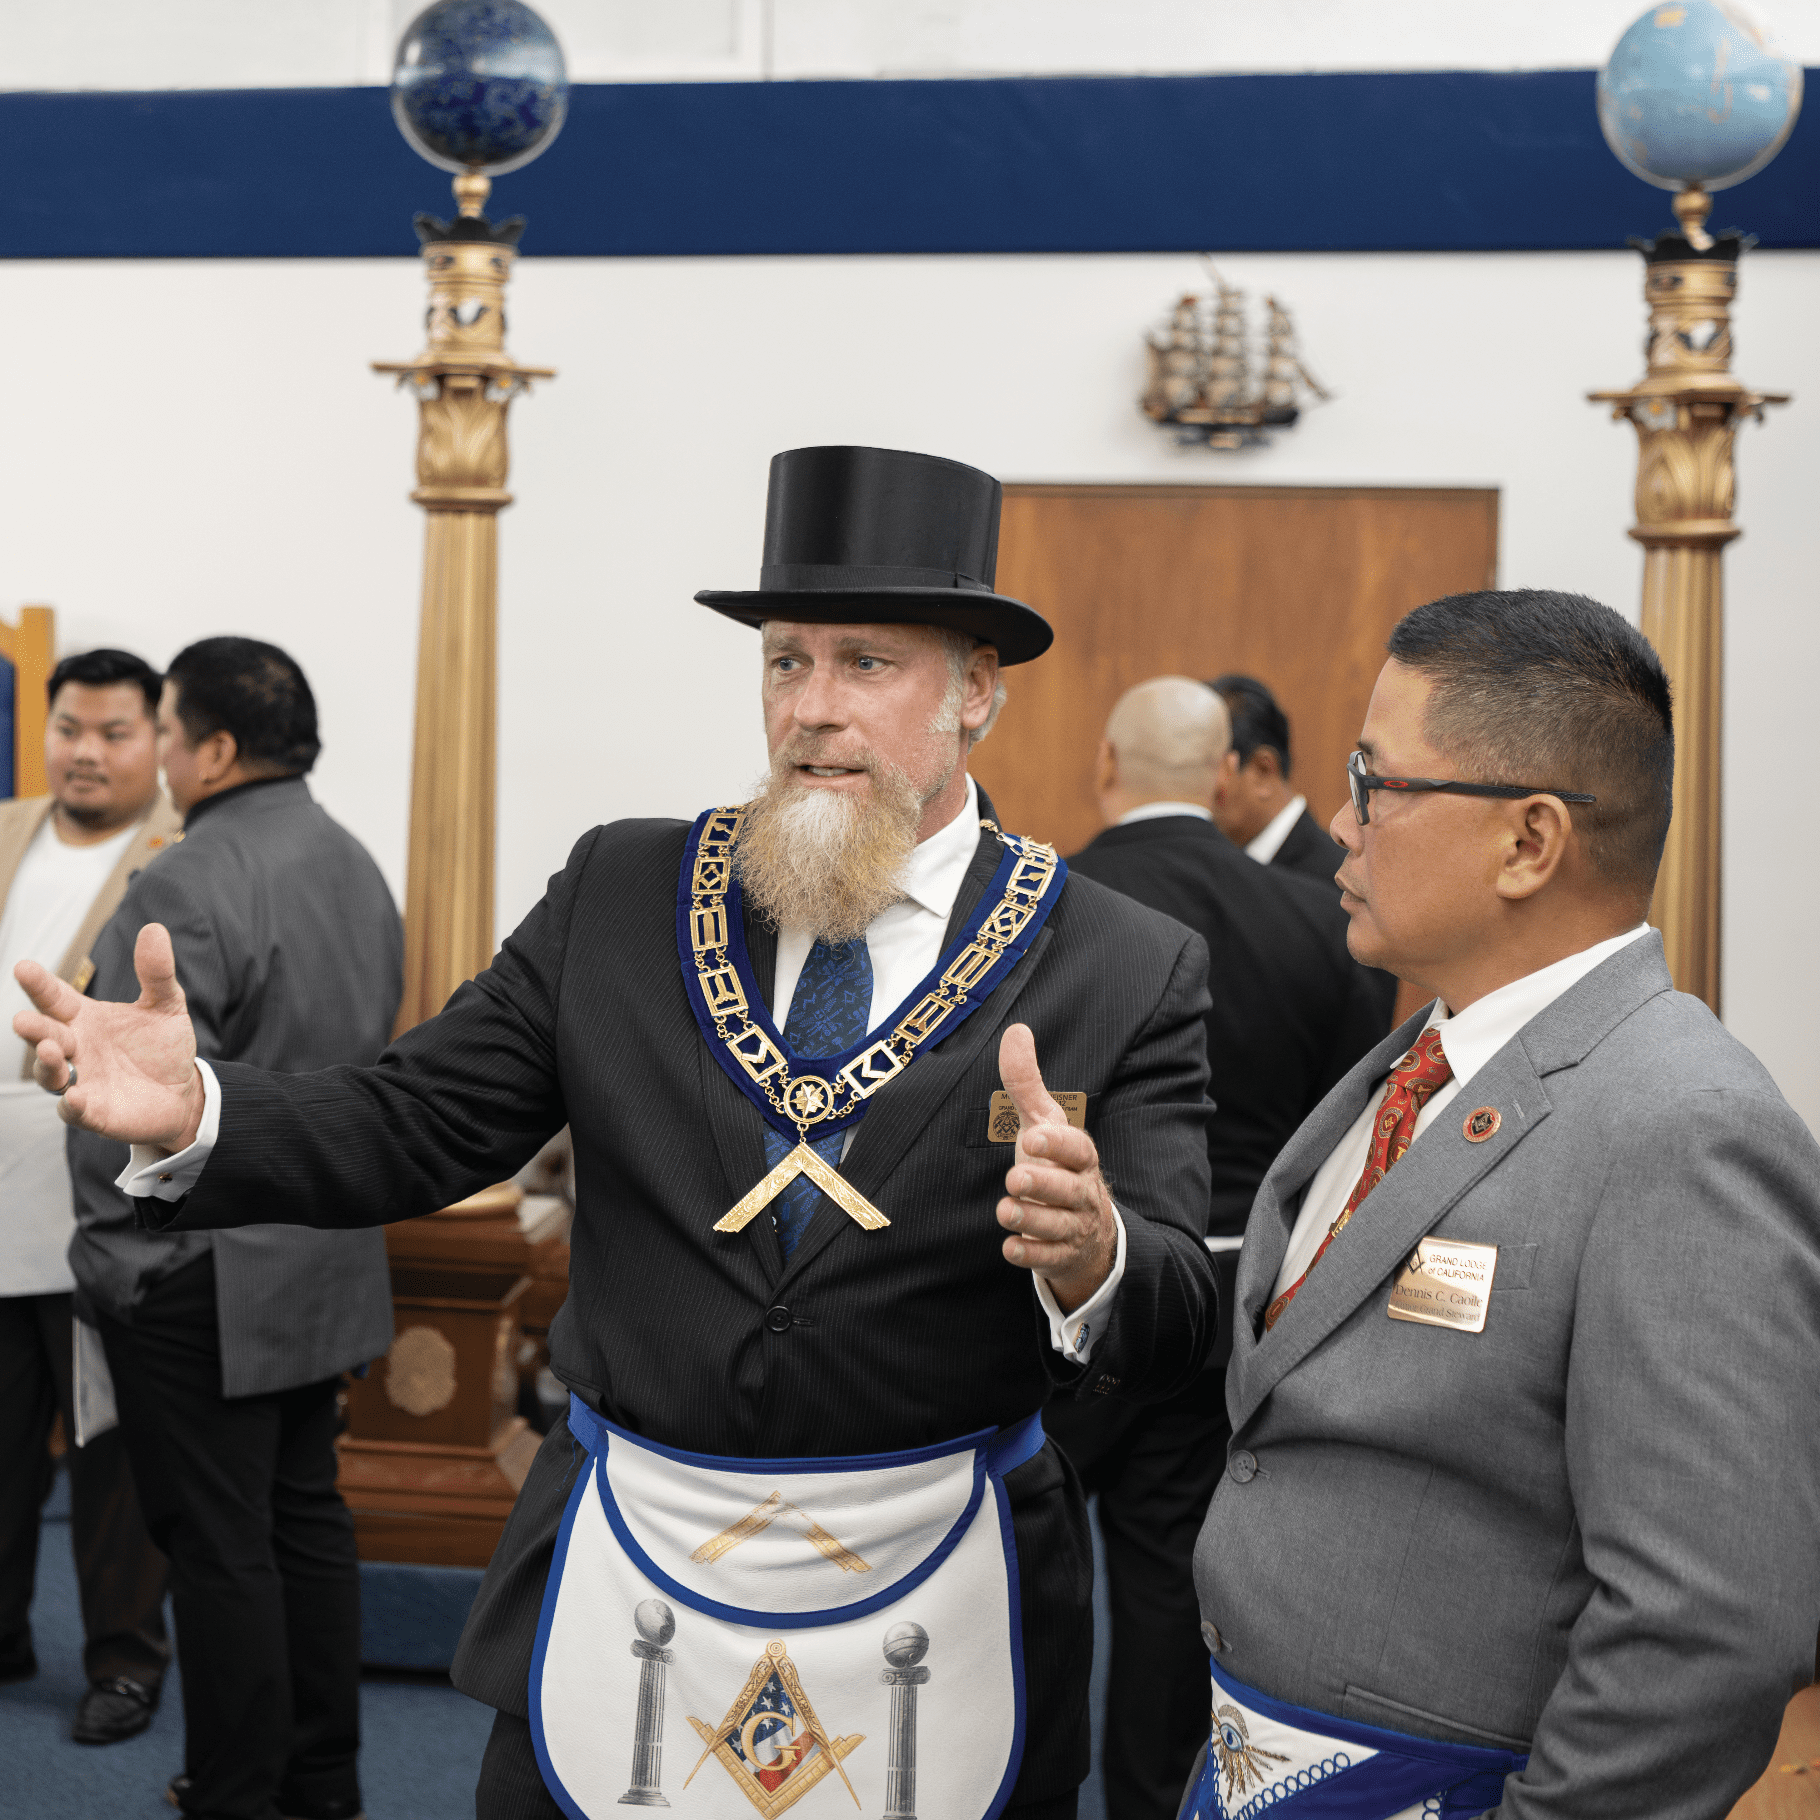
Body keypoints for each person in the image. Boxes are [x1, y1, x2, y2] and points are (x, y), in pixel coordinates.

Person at [16, 447, 1220, 1820]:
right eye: (784, 661)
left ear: (977, 693)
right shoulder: (624, 888)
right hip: (626, 1567)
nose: (813, 712)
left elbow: (1180, 1306)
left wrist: (1096, 1255)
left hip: (940, 1587)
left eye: (866, 663)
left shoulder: (1122, 962)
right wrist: (202, 1110)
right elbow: (418, 1119)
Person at [1178, 590, 1820, 1820]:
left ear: (1528, 841)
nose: (1334, 822)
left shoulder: (1679, 1127)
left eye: (1376, 782)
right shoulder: (1421, 1057)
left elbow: (1711, 1623)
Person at [64, 637, 401, 1820]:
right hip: (323, 1258)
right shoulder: (357, 863)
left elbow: (121, 1100)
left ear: (208, 748)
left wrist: (112, 1258)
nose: (153, 751)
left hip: (195, 1267)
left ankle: (237, 1792)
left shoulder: (180, 880)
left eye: (159, 726)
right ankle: (320, 1780)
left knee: (215, 1543)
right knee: (303, 1518)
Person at [1049, 676, 1387, 1820]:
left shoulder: (1037, 907)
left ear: (1106, 760)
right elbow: (1338, 1142)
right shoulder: (1313, 923)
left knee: (1016, 1541)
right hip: (1229, 1297)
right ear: (1219, 775)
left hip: (1057, 1287)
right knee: (1160, 1580)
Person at [0, 648, 177, 1743]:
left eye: (114, 731)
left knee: (108, 1441)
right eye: (70, 726)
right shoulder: (7, 823)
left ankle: (123, 1656)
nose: (86, 750)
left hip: (95, 1201)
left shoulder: (177, 860)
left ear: (157, 739)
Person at [1207, 673, 1341, 882]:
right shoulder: (1219, 866)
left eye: (1204, 771)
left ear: (1262, 771)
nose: (1188, 790)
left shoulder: (1337, 882)